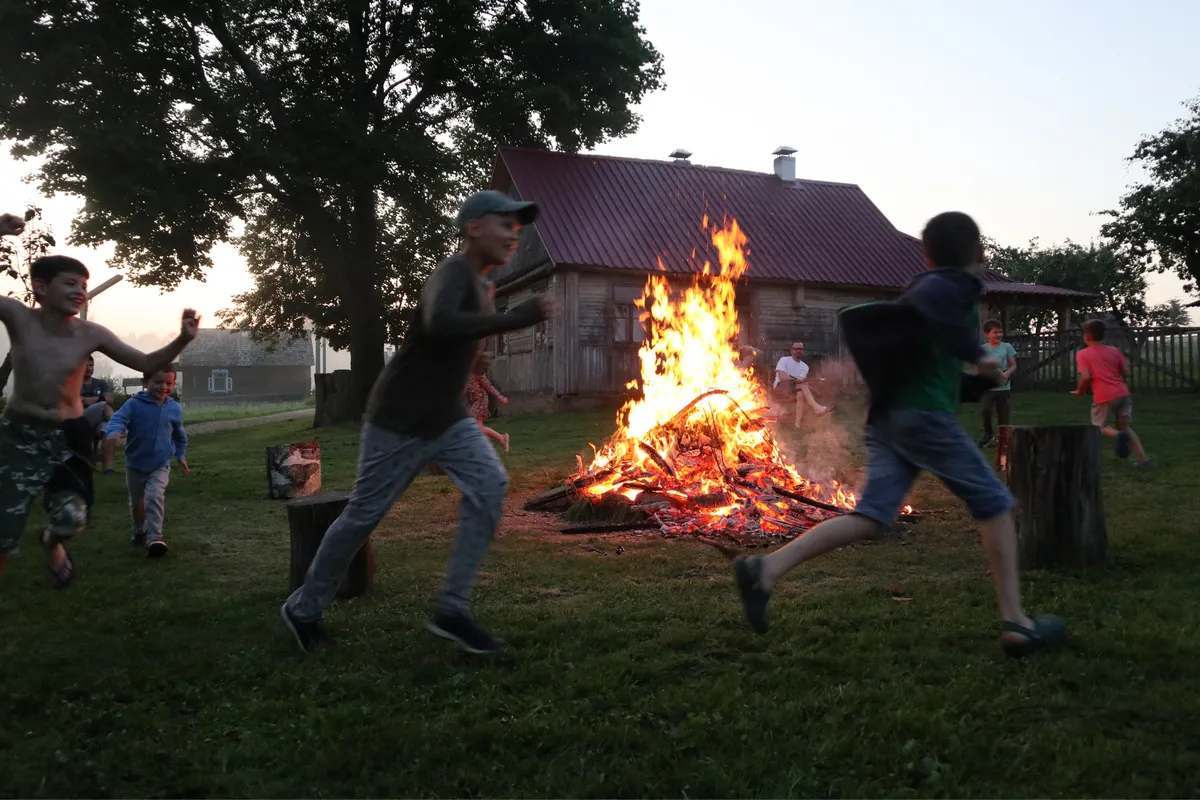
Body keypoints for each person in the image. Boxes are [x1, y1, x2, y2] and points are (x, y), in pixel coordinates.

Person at [734, 211, 1066, 658]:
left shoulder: (927, 293)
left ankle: (766, 570)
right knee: (997, 505)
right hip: (923, 419)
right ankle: (1017, 623)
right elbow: (940, 317)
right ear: (978, 253)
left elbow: (930, 367)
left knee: (871, 517)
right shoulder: (945, 287)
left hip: (890, 419)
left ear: (925, 255)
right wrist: (978, 353)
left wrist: (974, 384)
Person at [280, 190, 551, 655]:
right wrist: (516, 318)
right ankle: (303, 608)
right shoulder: (452, 273)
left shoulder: (483, 288)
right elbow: (441, 323)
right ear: (473, 228)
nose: (514, 234)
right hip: (399, 417)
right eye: (505, 224)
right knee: (363, 516)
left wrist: (475, 359)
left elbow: (451, 343)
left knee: (489, 485)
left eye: (517, 226)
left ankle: (452, 610)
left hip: (446, 417)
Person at [0, 235, 198, 587]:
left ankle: (52, 542)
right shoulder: (19, 317)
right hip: (19, 435)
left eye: (84, 285)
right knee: (4, 532)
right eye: (70, 283)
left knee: (71, 519)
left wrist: (183, 339)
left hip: (68, 435)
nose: (80, 291)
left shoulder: (91, 334)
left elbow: (146, 362)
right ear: (41, 286)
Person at [105, 367, 190, 557]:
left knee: (154, 497)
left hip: (160, 464)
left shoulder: (174, 408)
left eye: (168, 383)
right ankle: (139, 531)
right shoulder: (134, 404)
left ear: (173, 384)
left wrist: (180, 455)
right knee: (137, 504)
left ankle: (155, 539)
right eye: (158, 382)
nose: (163, 387)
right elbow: (118, 418)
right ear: (145, 383)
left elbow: (179, 435)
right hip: (135, 464)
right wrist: (114, 432)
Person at [1072, 319, 1151, 467]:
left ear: (1087, 336)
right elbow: (1126, 373)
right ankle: (1143, 461)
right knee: (1125, 426)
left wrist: (1080, 391)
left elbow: (1086, 377)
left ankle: (1119, 435)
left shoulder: (1083, 354)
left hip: (1104, 395)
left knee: (1099, 426)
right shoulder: (1114, 350)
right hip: (1123, 393)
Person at [977, 319, 1017, 447]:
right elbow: (978, 368)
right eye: (995, 332)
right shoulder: (982, 349)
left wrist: (1006, 374)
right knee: (986, 411)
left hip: (1003, 387)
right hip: (988, 387)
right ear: (987, 334)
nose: (999, 335)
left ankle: (1003, 439)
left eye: (1000, 332)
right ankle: (988, 434)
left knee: (1003, 414)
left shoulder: (1007, 347)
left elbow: (1013, 365)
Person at [773, 341, 831, 427]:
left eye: (800, 349)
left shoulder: (804, 367)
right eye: (795, 349)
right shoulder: (784, 360)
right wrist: (796, 380)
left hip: (793, 389)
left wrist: (811, 388)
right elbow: (782, 377)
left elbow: (801, 382)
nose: (798, 351)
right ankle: (817, 408)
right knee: (802, 386)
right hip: (780, 387)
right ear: (791, 351)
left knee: (800, 394)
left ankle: (797, 425)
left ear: (803, 351)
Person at [466, 352, 510, 453]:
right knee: (476, 427)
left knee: (474, 425)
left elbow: (489, 387)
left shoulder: (479, 375)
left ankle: (495, 441)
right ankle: (500, 438)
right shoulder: (467, 373)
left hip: (480, 401)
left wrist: (500, 397)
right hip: (474, 401)